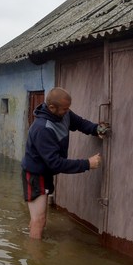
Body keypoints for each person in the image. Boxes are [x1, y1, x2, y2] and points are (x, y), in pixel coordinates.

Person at [21, 87, 108, 239]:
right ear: (52, 107)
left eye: (68, 108)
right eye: (65, 109)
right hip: (35, 175)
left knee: (39, 218)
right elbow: (55, 163)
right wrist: (87, 164)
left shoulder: (64, 114)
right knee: (39, 220)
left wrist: (96, 129)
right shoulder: (42, 129)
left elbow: (80, 123)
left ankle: (34, 243)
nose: (68, 111)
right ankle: (35, 259)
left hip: (45, 172)